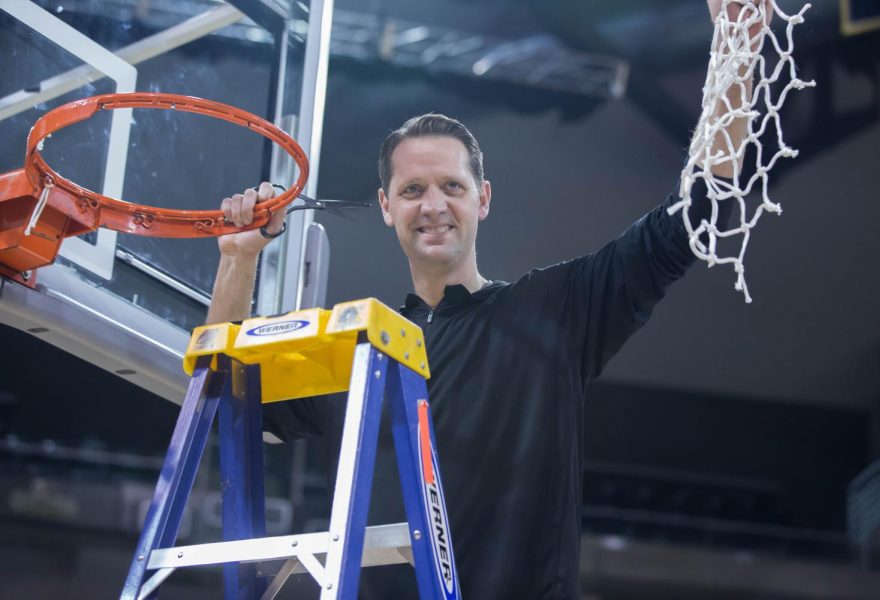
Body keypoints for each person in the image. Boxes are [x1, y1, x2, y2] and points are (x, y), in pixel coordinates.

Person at [207, 2, 766, 596]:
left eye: (453, 186)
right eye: (413, 190)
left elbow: (695, 215)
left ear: (484, 199)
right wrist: (238, 258)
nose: (434, 205)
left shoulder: (555, 311)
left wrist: (738, 42)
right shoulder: (358, 347)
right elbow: (232, 403)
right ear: (387, 206)